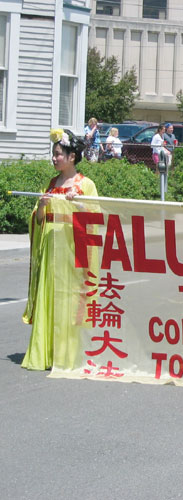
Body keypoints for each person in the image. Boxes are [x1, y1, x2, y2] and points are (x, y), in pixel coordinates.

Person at [22, 129, 99, 370]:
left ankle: (66, 355)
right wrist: (41, 206)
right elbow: (37, 219)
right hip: (50, 247)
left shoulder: (85, 184)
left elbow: (96, 217)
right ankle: (45, 354)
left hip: (72, 249)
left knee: (69, 299)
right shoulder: (50, 184)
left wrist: (79, 203)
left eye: (58, 154)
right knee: (49, 295)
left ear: (72, 157)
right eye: (54, 154)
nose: (54, 158)